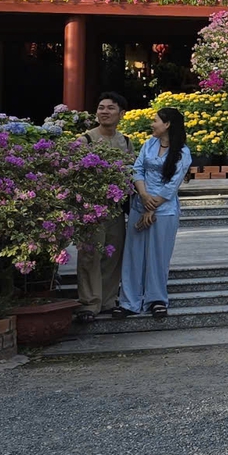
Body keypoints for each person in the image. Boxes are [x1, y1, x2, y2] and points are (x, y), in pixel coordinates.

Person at [119, 106, 191, 317]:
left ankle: (156, 299)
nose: (152, 124)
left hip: (165, 210)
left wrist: (151, 207)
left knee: (158, 256)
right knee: (133, 255)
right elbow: (137, 169)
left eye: (155, 120)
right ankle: (129, 302)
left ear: (167, 124)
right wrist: (143, 196)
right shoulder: (148, 144)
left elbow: (172, 185)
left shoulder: (183, 153)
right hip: (139, 203)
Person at [72, 92, 134, 324]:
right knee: (90, 255)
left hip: (115, 208)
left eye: (110, 108)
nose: (104, 112)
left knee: (112, 254)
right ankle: (89, 303)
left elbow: (131, 172)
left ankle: (107, 300)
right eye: (101, 107)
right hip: (91, 209)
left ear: (121, 113)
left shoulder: (126, 141)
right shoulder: (85, 140)